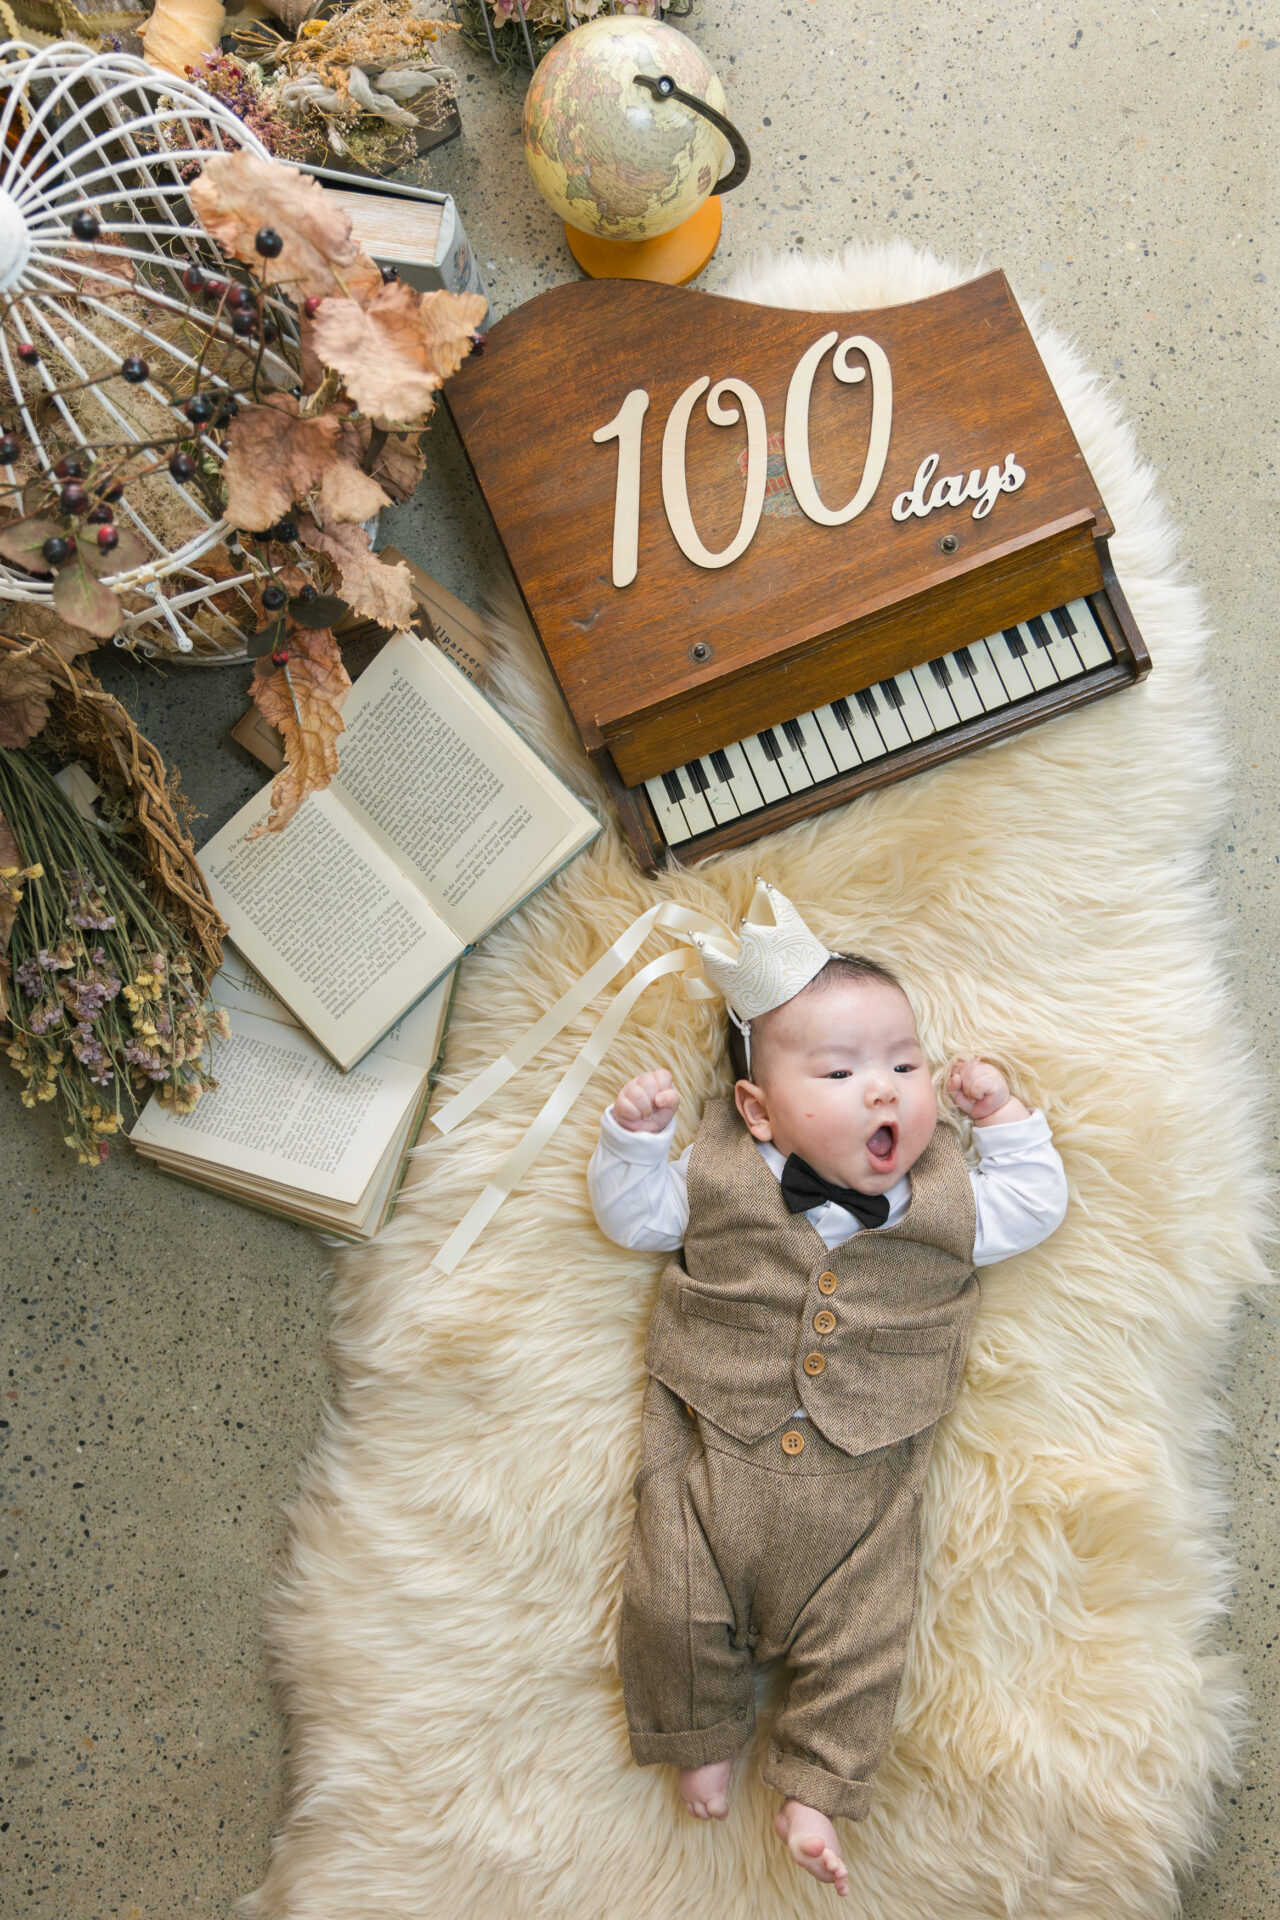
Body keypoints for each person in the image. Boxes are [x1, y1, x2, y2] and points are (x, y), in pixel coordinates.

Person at [588, 882, 1067, 1898]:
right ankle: (698, 1731)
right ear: (758, 1110)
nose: (884, 1090)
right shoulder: (719, 1175)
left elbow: (1031, 1204)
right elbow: (633, 1219)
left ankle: (816, 1785)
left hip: (864, 1491)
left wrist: (1003, 1118)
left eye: (903, 1063)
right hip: (710, 1453)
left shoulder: (948, 1198)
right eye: (841, 1071)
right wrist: (632, 1143)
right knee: (668, 1596)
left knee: (868, 1639)